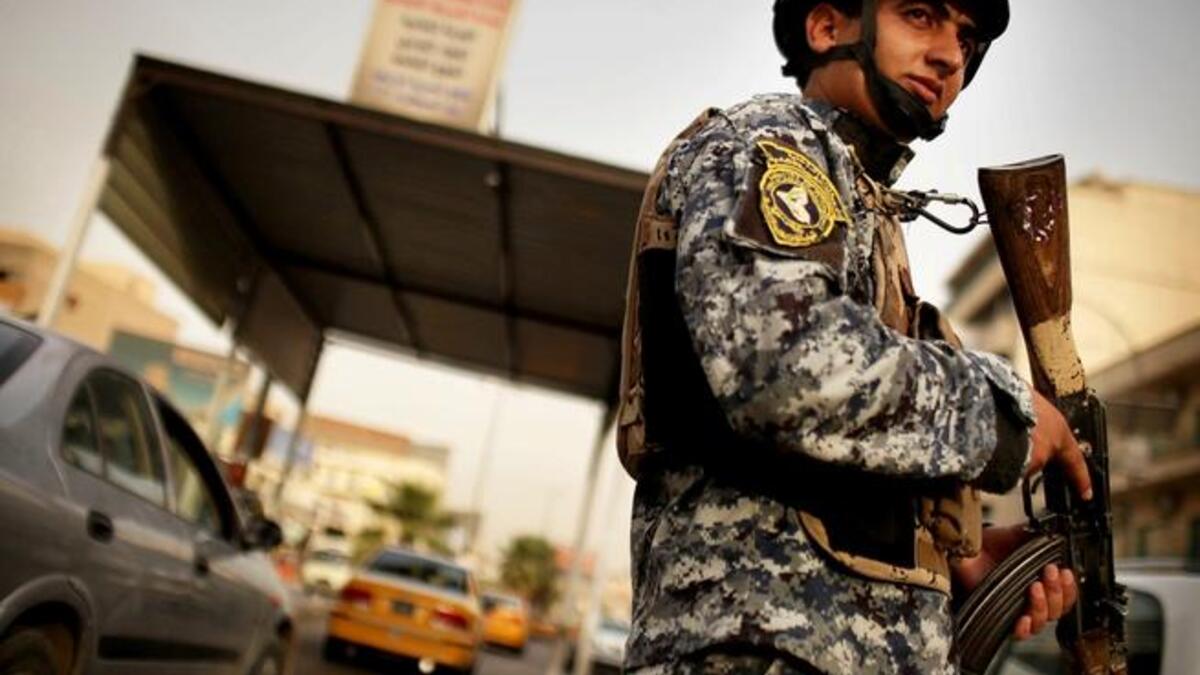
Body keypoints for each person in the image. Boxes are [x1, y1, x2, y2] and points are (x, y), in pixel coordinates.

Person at [614, 1, 1095, 673]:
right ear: (827, 27)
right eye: (920, 15)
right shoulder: (774, 146)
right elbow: (787, 367)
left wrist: (949, 558)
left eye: (966, 39)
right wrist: (1002, 414)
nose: (950, 56)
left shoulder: (862, 201)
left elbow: (835, 453)